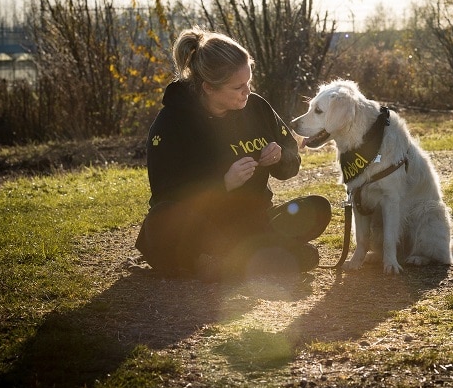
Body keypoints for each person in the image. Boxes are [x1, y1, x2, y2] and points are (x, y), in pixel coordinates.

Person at [135, 27, 331, 280]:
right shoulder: (172, 122)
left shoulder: (257, 107)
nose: (247, 92)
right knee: (162, 220)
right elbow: (166, 194)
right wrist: (223, 183)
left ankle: (237, 260)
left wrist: (281, 156)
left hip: (253, 222)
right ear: (208, 88)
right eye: (238, 87)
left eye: (249, 82)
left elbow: (290, 161)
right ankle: (248, 258)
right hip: (201, 226)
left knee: (317, 208)